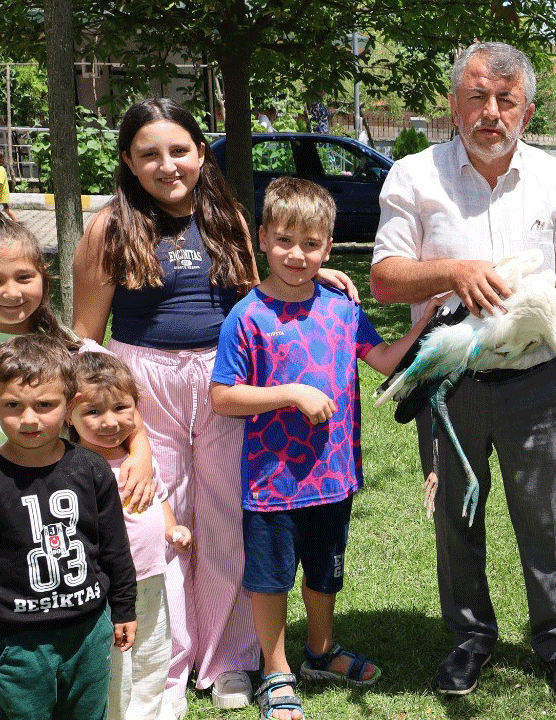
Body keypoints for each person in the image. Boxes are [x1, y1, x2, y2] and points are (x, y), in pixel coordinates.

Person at [72, 97, 358, 712]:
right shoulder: (109, 227)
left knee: (227, 521)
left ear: (202, 153)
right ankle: (164, 659)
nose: (167, 164)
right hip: (144, 380)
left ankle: (231, 660)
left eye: (179, 150)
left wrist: (316, 277)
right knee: (157, 521)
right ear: (128, 160)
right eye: (149, 153)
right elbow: (86, 340)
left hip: (223, 381)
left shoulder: (225, 213)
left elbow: (258, 291)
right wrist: (120, 429)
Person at [370, 41, 556, 707]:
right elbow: (385, 277)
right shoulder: (414, 176)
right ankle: (470, 638)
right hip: (449, 390)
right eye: (478, 97)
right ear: (453, 104)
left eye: (506, 100)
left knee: (545, 523)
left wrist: (546, 311)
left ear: (527, 109)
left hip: (533, 385)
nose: (491, 112)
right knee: (455, 518)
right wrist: (452, 273)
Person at [210, 177, 431, 720]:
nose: (296, 254)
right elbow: (222, 396)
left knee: (324, 572)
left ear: (328, 249)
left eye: (311, 244)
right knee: (271, 579)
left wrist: (426, 326)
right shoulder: (248, 316)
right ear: (262, 238)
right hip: (272, 482)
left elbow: (381, 359)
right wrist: (289, 393)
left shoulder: (342, 309)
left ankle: (320, 650)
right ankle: (277, 669)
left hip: (333, 477)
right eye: (284, 240)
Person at [0, 334, 138, 720]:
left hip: (89, 630)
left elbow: (114, 546)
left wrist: (123, 607)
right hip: (18, 639)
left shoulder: (92, 469)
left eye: (45, 405)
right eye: (12, 405)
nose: (29, 419)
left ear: (70, 406)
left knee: (87, 712)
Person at [0, 213, 154, 498]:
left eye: (24, 277)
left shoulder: (64, 340)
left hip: (67, 505)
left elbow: (115, 398)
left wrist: (141, 455)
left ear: (43, 274)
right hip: (1, 519)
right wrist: (2, 504)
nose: (12, 292)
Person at [67, 351, 191, 720]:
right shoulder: (73, 466)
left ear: (137, 406)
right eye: (93, 412)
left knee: (153, 653)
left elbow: (159, 498)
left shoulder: (139, 459)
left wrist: (172, 529)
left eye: (121, 408)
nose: (109, 422)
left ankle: (149, 711)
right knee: (116, 659)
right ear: (68, 416)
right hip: (105, 587)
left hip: (152, 577)